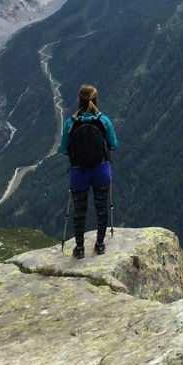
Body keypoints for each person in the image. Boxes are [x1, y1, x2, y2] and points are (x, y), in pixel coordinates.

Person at [59, 84, 118, 259]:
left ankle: (79, 248)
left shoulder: (71, 123)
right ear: (96, 100)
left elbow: (63, 149)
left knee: (79, 211)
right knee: (101, 208)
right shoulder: (103, 121)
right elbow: (114, 144)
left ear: (79, 100)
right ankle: (100, 244)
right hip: (100, 170)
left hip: (79, 172)